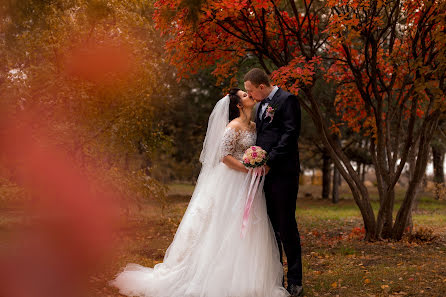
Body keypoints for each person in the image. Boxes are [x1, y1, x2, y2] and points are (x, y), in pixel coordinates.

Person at [110, 88, 290, 297]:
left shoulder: (253, 126)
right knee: (225, 225)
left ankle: (246, 276)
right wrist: (248, 168)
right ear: (238, 105)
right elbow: (224, 156)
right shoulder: (233, 126)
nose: (248, 95)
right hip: (231, 180)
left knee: (249, 226)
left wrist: (256, 164)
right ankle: (215, 275)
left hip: (247, 182)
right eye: (244, 95)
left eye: (247, 93)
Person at [244, 68, 303, 297]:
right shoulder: (259, 105)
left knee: (286, 226)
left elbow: (290, 134)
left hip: (283, 174)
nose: (249, 95)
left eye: (251, 90)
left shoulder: (287, 100)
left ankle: (295, 281)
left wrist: (270, 160)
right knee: (270, 230)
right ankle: (276, 278)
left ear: (261, 86)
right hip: (263, 175)